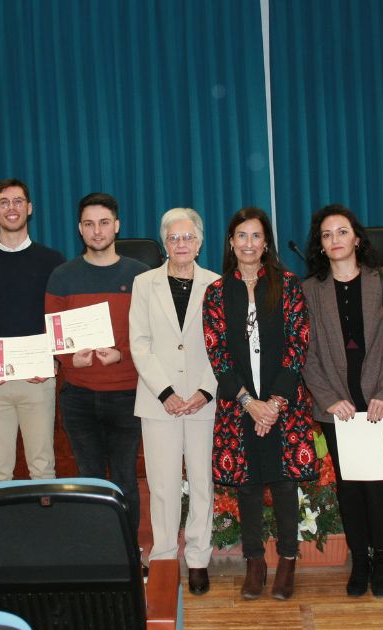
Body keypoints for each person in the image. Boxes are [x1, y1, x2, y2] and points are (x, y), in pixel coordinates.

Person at [203, 207, 317, 601]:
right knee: (248, 486)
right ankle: (255, 561)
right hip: (239, 406)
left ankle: (287, 559)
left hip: (283, 404)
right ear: (231, 243)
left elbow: (298, 343)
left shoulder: (287, 285)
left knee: (284, 483)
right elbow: (217, 353)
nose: (249, 243)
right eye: (241, 236)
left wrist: (274, 403)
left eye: (256, 236)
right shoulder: (216, 293)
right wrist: (251, 403)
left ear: (265, 242)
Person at [300, 205, 383, 598]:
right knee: (349, 487)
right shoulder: (310, 289)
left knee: (377, 486)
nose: (335, 240)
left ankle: (382, 559)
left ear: (356, 238)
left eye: (341, 232)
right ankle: (359, 563)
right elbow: (306, 352)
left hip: (380, 404)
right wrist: (328, 399)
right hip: (338, 409)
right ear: (321, 245)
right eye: (327, 235)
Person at [45, 193, 149, 549]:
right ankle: (96, 550)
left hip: (127, 394)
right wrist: (72, 359)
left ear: (116, 226)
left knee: (125, 478)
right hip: (79, 396)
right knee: (88, 479)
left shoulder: (140, 275)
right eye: (89, 224)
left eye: (104, 222)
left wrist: (122, 354)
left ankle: (128, 550)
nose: (97, 230)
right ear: (80, 229)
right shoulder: (62, 276)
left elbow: (153, 335)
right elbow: (54, 337)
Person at [129, 208, 220, 596]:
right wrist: (166, 392)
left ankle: (198, 559)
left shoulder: (217, 284)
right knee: (163, 485)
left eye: (188, 238)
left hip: (203, 400)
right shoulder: (144, 283)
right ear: (164, 243)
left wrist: (203, 391)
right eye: (173, 238)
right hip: (158, 401)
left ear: (199, 243)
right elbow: (140, 343)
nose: (181, 244)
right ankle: (165, 559)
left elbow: (224, 347)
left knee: (201, 482)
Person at [0, 179, 65, 485]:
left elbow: (58, 317)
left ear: (29, 208)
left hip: (38, 379)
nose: (12, 208)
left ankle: (44, 532)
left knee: (43, 467)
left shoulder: (52, 261)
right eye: (4, 202)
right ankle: (0, 533)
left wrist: (55, 360)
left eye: (18, 201)